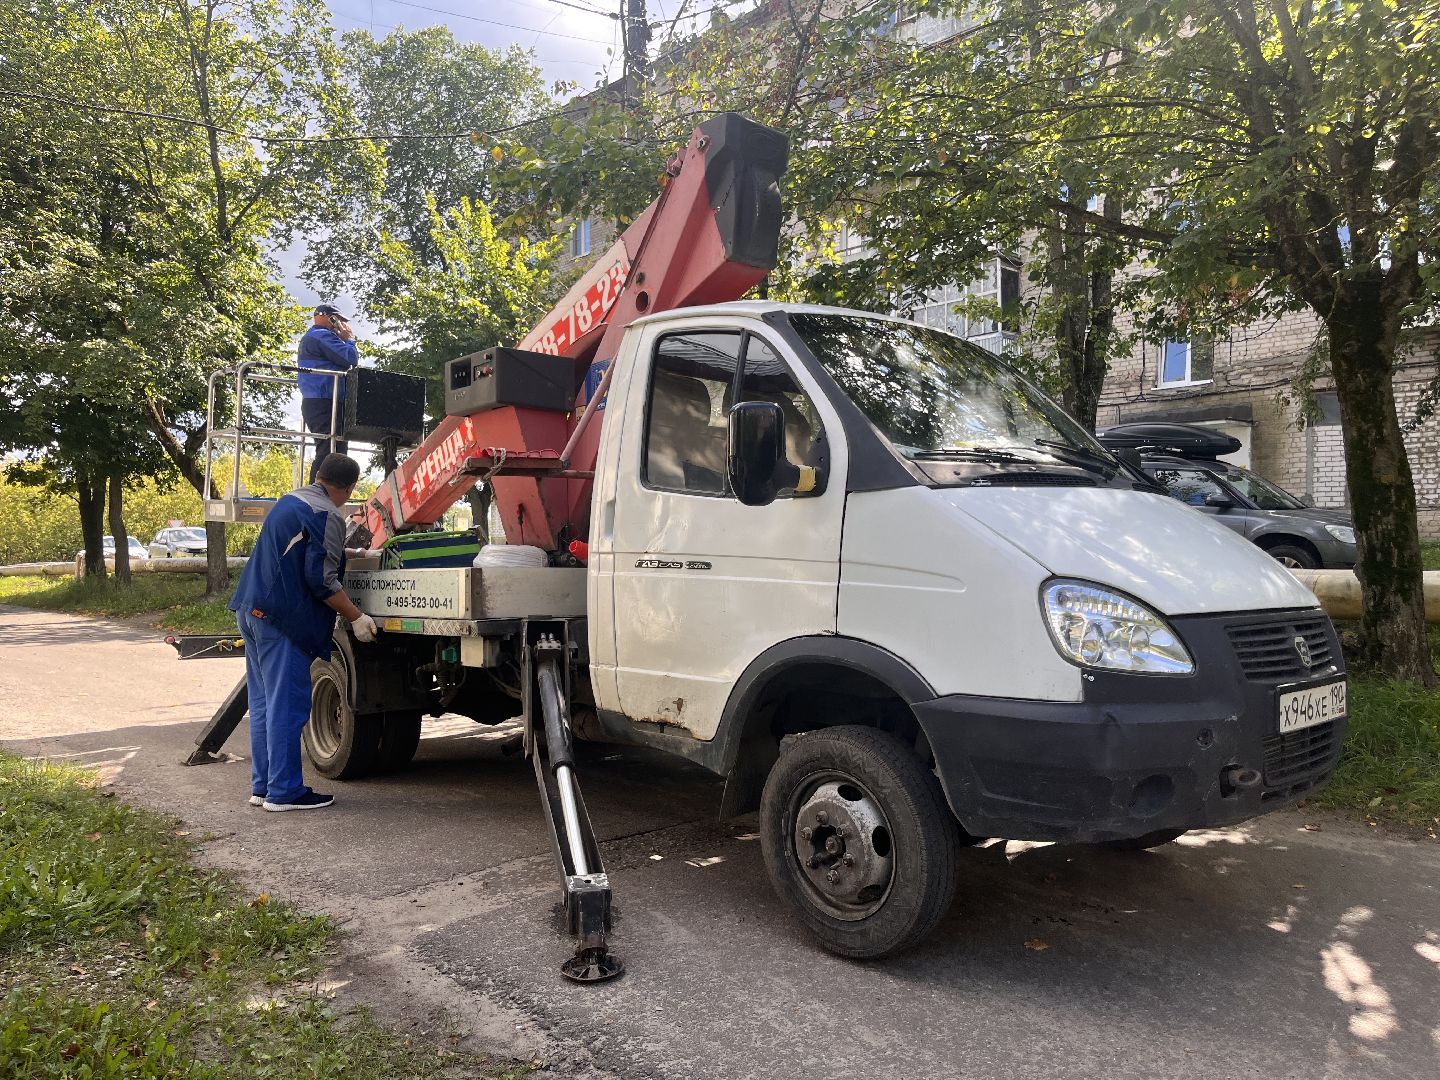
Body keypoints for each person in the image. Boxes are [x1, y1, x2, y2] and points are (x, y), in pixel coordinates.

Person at [229, 453, 379, 812]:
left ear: (318, 475)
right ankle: (284, 792)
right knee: (289, 706)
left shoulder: (291, 501)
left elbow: (300, 549)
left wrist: (348, 552)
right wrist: (356, 616)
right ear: (348, 488)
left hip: (251, 611)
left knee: (264, 704)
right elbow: (322, 580)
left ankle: (263, 787)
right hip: (282, 619)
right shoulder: (328, 513)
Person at [298, 304, 359, 484]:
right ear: (328, 317)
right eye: (338, 320)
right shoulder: (321, 336)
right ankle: (316, 495)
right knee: (328, 451)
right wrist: (349, 339)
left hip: (323, 401)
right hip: (324, 403)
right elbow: (350, 359)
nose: (340, 324)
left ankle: (327, 493)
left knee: (335, 451)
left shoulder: (316, 337)